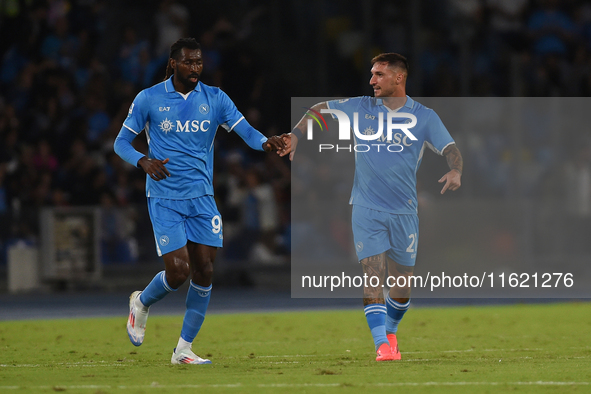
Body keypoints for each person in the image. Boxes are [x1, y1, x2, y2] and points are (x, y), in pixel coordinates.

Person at [113, 38, 287, 365]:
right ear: (173, 64)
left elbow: (245, 130)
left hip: (203, 198)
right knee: (179, 273)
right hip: (165, 196)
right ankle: (141, 302)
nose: (195, 68)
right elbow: (121, 142)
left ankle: (183, 349)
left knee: (205, 270)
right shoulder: (148, 98)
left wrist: (266, 143)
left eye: (199, 62)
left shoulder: (215, 98)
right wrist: (142, 161)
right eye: (188, 62)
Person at [282, 53, 463, 361]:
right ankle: (382, 346)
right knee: (372, 275)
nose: (372, 80)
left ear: (399, 77)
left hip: (405, 211)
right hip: (366, 207)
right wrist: (296, 134)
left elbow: (450, 149)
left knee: (402, 286)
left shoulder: (425, 116)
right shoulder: (361, 106)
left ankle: (390, 333)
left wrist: (456, 170)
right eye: (372, 74)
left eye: (379, 74)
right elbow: (318, 109)